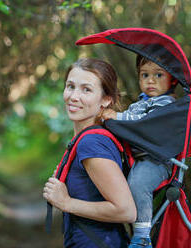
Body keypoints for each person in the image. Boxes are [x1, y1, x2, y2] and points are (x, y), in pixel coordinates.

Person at [43, 58, 136, 248]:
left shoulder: (91, 143)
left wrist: (67, 203)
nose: (74, 96)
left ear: (106, 99)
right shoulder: (89, 138)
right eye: (70, 86)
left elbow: (126, 210)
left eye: (86, 89)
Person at [101, 55, 178, 248]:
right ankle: (128, 231)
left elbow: (144, 123)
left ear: (172, 79)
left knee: (137, 184)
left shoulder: (166, 104)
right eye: (145, 75)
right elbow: (131, 119)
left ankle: (142, 238)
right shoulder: (140, 103)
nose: (150, 81)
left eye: (158, 75)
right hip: (139, 159)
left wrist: (117, 116)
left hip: (158, 161)